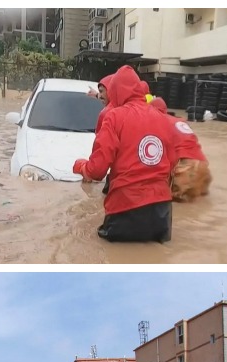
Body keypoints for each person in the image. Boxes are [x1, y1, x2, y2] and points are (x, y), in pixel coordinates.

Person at [73, 65, 176, 243]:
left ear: (115, 92)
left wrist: (82, 166)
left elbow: (97, 170)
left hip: (125, 209)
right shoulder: (163, 119)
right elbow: (173, 162)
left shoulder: (114, 117)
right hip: (162, 214)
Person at [147, 96, 212, 202]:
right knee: (199, 203)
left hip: (186, 168)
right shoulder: (180, 120)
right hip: (203, 165)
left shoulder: (157, 122)